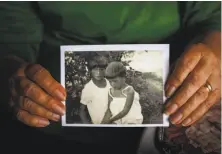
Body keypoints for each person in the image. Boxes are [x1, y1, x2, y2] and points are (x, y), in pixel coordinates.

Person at [0, 1, 220, 154]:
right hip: (51, 123)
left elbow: (214, 17)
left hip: (167, 127)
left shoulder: (130, 91)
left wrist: (215, 52)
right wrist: (14, 75)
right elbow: (12, 38)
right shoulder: (90, 90)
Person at [79, 55, 110, 124]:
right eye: (95, 69)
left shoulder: (110, 84)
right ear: (90, 70)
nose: (98, 73)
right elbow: (82, 111)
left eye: (101, 69)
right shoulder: (88, 88)